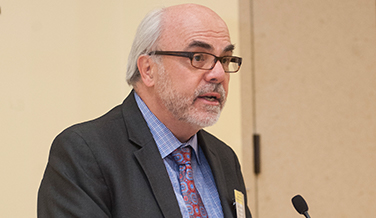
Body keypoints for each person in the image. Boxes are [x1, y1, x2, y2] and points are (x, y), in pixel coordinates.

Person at [38, 3, 252, 218]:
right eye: (198, 57)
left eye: (224, 60)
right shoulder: (85, 153)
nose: (218, 75)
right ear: (148, 70)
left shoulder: (224, 157)